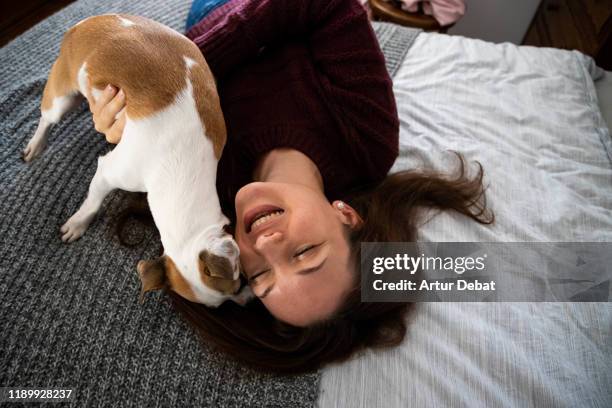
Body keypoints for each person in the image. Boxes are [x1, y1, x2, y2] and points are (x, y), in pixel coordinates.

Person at [89, 0, 493, 373]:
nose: (264, 244)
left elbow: (130, 99)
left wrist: (132, 112)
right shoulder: (368, 140)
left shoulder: (204, 190)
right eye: (304, 251)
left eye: (261, 275)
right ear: (346, 215)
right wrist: (179, 75)